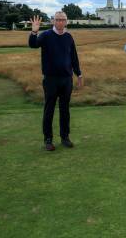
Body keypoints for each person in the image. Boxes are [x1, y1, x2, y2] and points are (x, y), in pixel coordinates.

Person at [28, 12, 83, 151]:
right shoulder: (46, 35)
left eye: (63, 20)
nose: (60, 22)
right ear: (53, 21)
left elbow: (74, 57)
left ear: (66, 22)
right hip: (51, 79)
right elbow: (33, 45)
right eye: (57, 20)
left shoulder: (69, 37)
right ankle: (48, 139)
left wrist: (79, 74)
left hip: (66, 79)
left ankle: (65, 137)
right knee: (49, 109)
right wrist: (34, 32)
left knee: (65, 110)